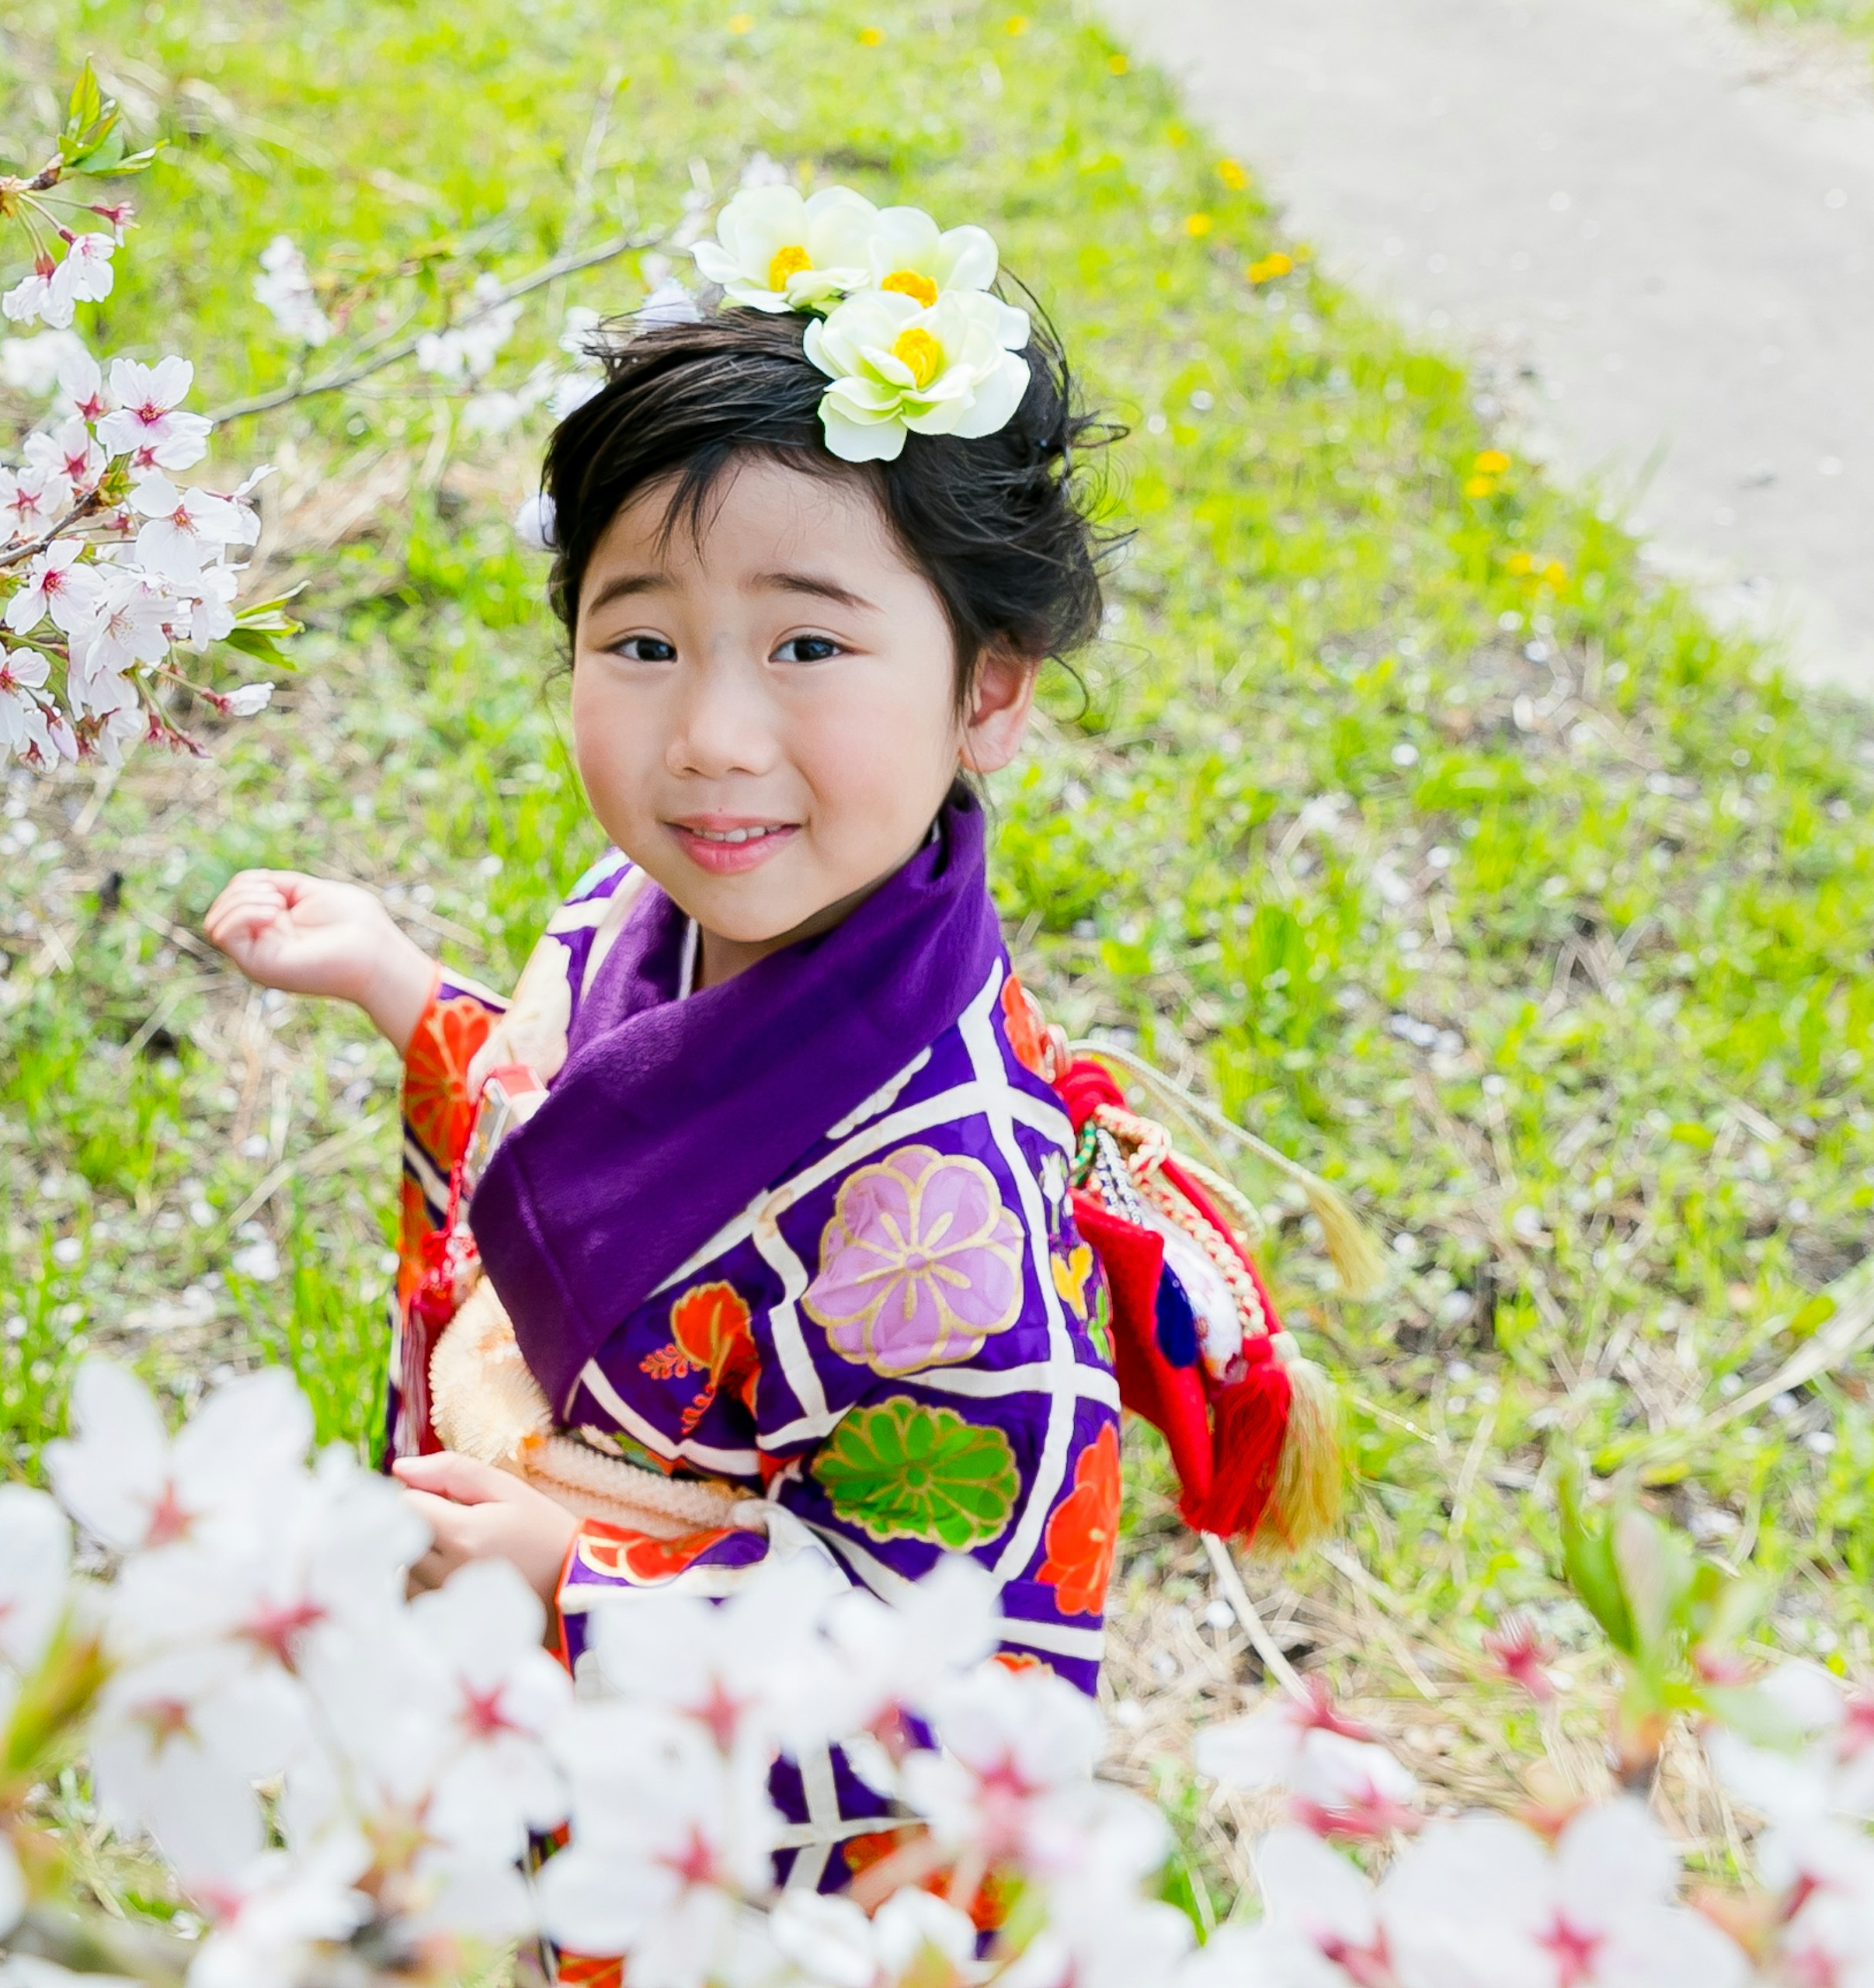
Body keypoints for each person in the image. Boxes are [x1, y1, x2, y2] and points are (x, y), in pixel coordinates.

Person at [205, 186, 1330, 1901]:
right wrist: (398, 982)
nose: (713, 736)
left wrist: (571, 1582)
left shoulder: (941, 1208)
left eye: (808, 643)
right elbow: (563, 1126)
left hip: (705, 1822)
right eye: (641, 641)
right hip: (528, 1668)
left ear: (989, 691)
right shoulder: (631, 912)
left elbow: (958, 1667)